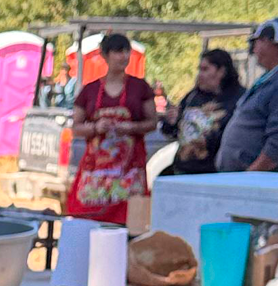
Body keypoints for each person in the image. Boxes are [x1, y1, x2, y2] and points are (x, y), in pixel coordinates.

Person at [67, 33, 157, 223]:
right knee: (88, 222)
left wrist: (130, 127)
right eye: (118, 52)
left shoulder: (140, 88)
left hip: (130, 173)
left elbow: (152, 123)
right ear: (105, 55)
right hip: (95, 176)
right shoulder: (89, 90)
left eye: (126, 52)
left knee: (130, 223)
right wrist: (96, 127)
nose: (123, 56)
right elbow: (75, 128)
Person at [160, 49, 244, 175]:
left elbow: (238, 138)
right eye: (199, 69)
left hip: (216, 173)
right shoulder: (193, 96)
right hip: (183, 169)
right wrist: (171, 121)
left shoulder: (239, 99)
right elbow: (172, 131)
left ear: (222, 71)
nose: (200, 74)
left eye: (205, 69)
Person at [216, 18, 278, 173]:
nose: (254, 48)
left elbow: (276, 141)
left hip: (254, 183)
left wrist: (251, 174)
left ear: (271, 41)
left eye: (257, 41)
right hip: (243, 180)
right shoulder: (268, 79)